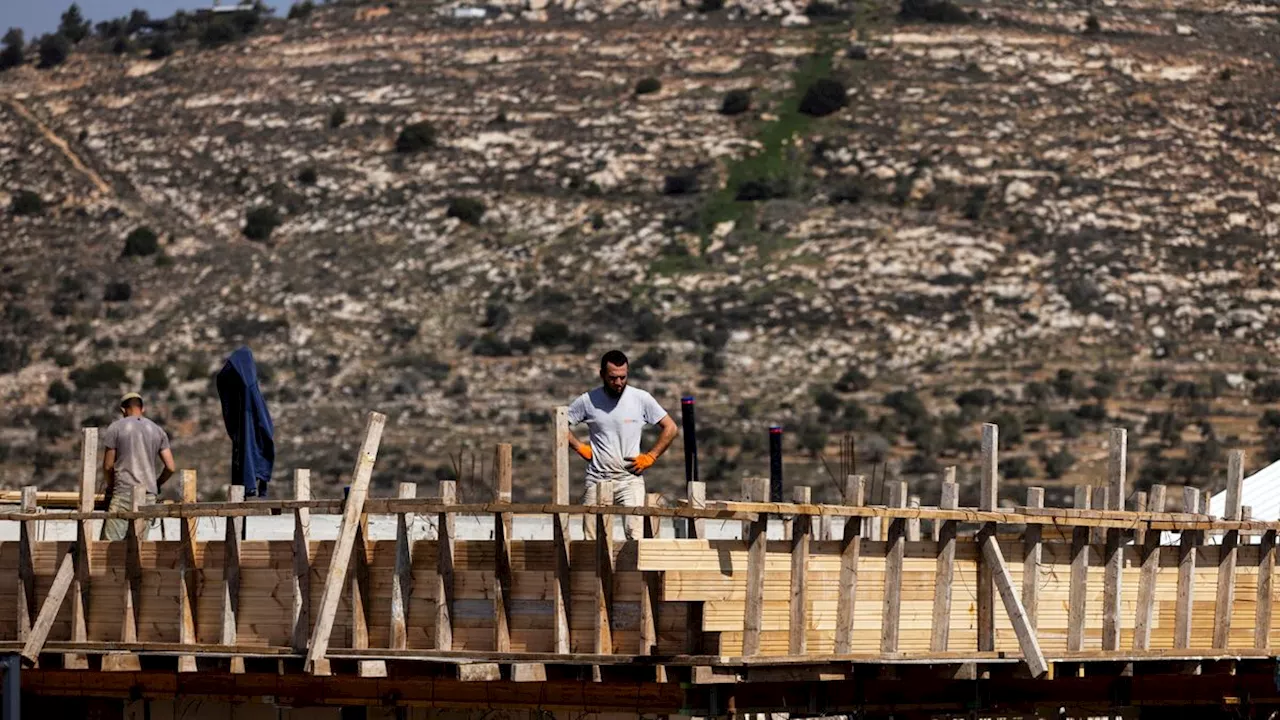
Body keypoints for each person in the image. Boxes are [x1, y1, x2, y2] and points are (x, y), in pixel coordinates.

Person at [567, 350, 678, 539]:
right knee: (592, 538)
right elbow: (560, 423)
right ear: (602, 375)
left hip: (629, 478)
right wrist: (578, 446)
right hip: (597, 478)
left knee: (635, 535)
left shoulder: (640, 398)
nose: (618, 383)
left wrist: (651, 456)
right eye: (612, 378)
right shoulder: (588, 400)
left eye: (622, 377)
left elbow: (670, 427)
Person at [102, 392, 175, 541]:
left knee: (110, 548)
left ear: (123, 410)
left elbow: (108, 466)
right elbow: (170, 467)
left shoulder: (115, 428)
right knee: (138, 545)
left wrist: (111, 487)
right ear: (143, 408)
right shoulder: (157, 430)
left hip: (123, 493)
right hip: (148, 497)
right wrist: (158, 483)